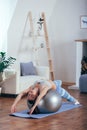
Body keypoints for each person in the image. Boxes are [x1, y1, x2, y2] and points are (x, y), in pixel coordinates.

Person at [11, 80, 80, 114]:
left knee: (58, 81)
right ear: (36, 95)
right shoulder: (43, 89)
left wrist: (14, 104)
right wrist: (34, 106)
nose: (30, 93)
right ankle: (74, 100)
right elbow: (40, 97)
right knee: (69, 97)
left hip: (53, 82)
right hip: (57, 88)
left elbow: (21, 94)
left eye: (29, 95)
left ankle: (59, 82)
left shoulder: (32, 87)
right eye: (32, 96)